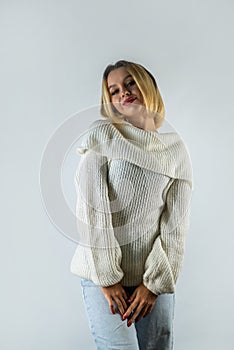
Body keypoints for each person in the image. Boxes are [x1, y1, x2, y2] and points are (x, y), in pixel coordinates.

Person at [70, 59, 193, 349]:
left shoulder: (175, 149)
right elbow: (92, 212)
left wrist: (154, 283)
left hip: (151, 282)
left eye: (129, 83)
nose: (123, 92)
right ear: (110, 102)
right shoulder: (103, 136)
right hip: (103, 280)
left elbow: (175, 226)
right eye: (113, 90)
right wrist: (108, 277)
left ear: (146, 85)